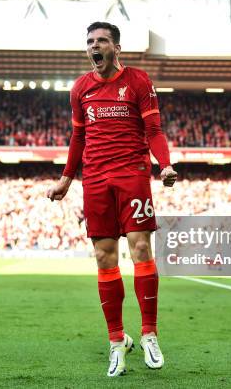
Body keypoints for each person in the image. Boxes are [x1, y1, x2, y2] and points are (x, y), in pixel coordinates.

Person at [47, 22, 177, 377]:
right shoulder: (80, 89)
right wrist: (66, 179)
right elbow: (77, 138)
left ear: (116, 48)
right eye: (89, 41)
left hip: (133, 174)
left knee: (139, 249)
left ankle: (149, 333)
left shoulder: (138, 81)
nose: (94, 46)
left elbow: (154, 130)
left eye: (101, 40)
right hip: (96, 181)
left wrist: (164, 165)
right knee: (104, 257)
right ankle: (117, 342)